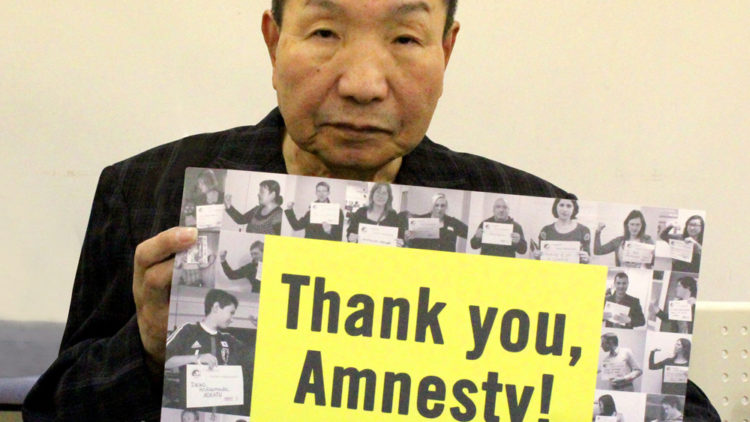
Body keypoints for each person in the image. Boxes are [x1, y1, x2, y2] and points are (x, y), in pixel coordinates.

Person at [23, 1, 719, 421]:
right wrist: (146, 350)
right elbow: (55, 410)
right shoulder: (149, 191)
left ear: (447, 49)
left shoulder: (533, 219)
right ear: (274, 40)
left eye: (406, 39)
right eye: (325, 32)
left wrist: (588, 379)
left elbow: (682, 411)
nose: (362, 84)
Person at [163, 289, 252, 416]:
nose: (232, 319)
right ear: (216, 307)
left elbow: (255, 356)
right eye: (231, 313)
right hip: (194, 414)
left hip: (223, 414)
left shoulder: (229, 339)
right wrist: (196, 358)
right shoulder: (188, 330)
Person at [532, 198, 591, 263]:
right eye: (561, 205)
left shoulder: (583, 230)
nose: (564, 209)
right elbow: (541, 257)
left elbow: (587, 257)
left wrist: (587, 259)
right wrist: (537, 256)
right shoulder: (546, 230)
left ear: (574, 209)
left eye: (569, 206)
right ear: (556, 207)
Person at [403, 193, 468, 252]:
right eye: (436, 205)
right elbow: (411, 243)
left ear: (446, 207)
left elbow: (469, 233)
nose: (439, 208)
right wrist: (407, 237)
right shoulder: (421, 220)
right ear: (432, 206)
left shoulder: (452, 222)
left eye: (442, 206)